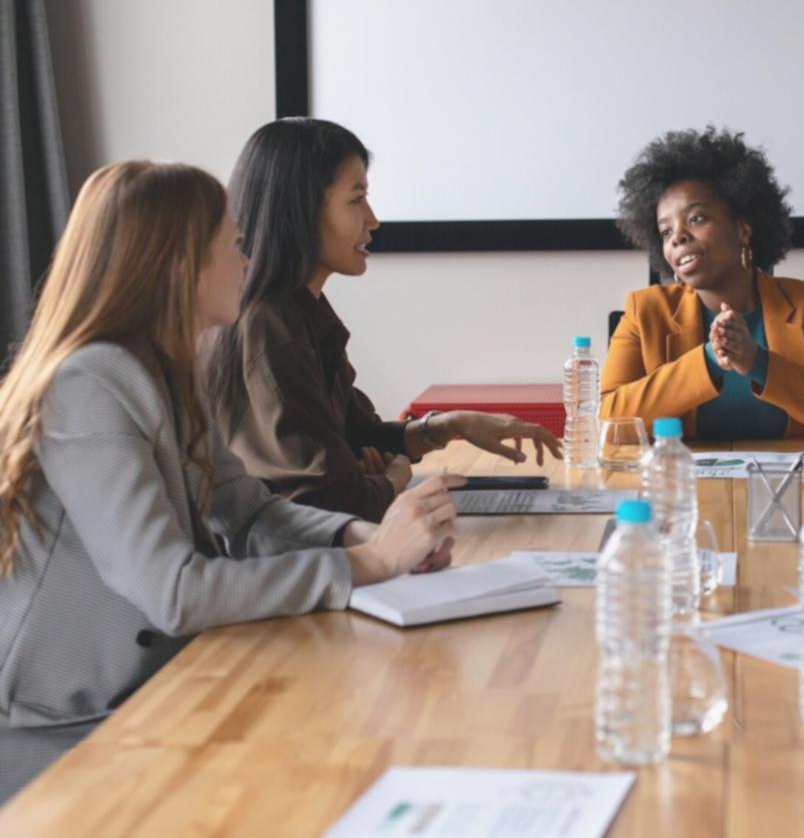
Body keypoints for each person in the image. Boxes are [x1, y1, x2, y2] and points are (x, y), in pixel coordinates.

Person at [0, 162, 461, 801]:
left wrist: (368, 536)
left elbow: (248, 514)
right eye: (234, 244)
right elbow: (173, 592)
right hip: (72, 726)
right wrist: (372, 563)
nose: (248, 260)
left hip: (160, 682)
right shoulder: (91, 384)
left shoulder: (163, 370)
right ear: (179, 264)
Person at [204, 119, 560, 520]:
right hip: (302, 552)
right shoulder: (270, 324)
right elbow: (327, 498)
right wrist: (394, 478)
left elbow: (357, 435)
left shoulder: (298, 308)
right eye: (356, 199)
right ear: (299, 208)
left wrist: (449, 426)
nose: (372, 220)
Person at [602, 126, 804, 438]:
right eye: (666, 231)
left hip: (796, 472)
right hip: (679, 469)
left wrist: (758, 362)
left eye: (696, 218)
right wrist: (709, 360)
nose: (677, 237)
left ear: (743, 230)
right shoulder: (644, 311)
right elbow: (606, 421)